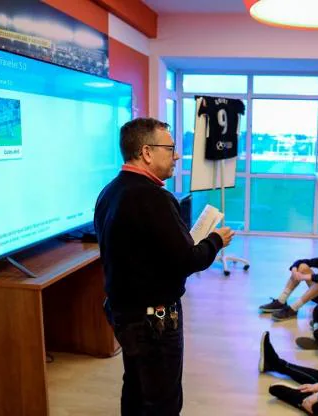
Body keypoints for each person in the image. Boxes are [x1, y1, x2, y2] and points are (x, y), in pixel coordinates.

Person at [94, 118, 234, 415]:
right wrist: (215, 241)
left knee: (135, 385)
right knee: (162, 398)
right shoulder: (153, 198)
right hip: (153, 317)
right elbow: (188, 260)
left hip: (123, 311)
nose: (177, 155)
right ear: (146, 152)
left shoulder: (110, 191)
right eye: (170, 148)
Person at [259, 234, 318, 321]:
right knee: (302, 266)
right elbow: (302, 261)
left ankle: (294, 308)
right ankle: (281, 300)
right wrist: (295, 270)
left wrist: (304, 276)